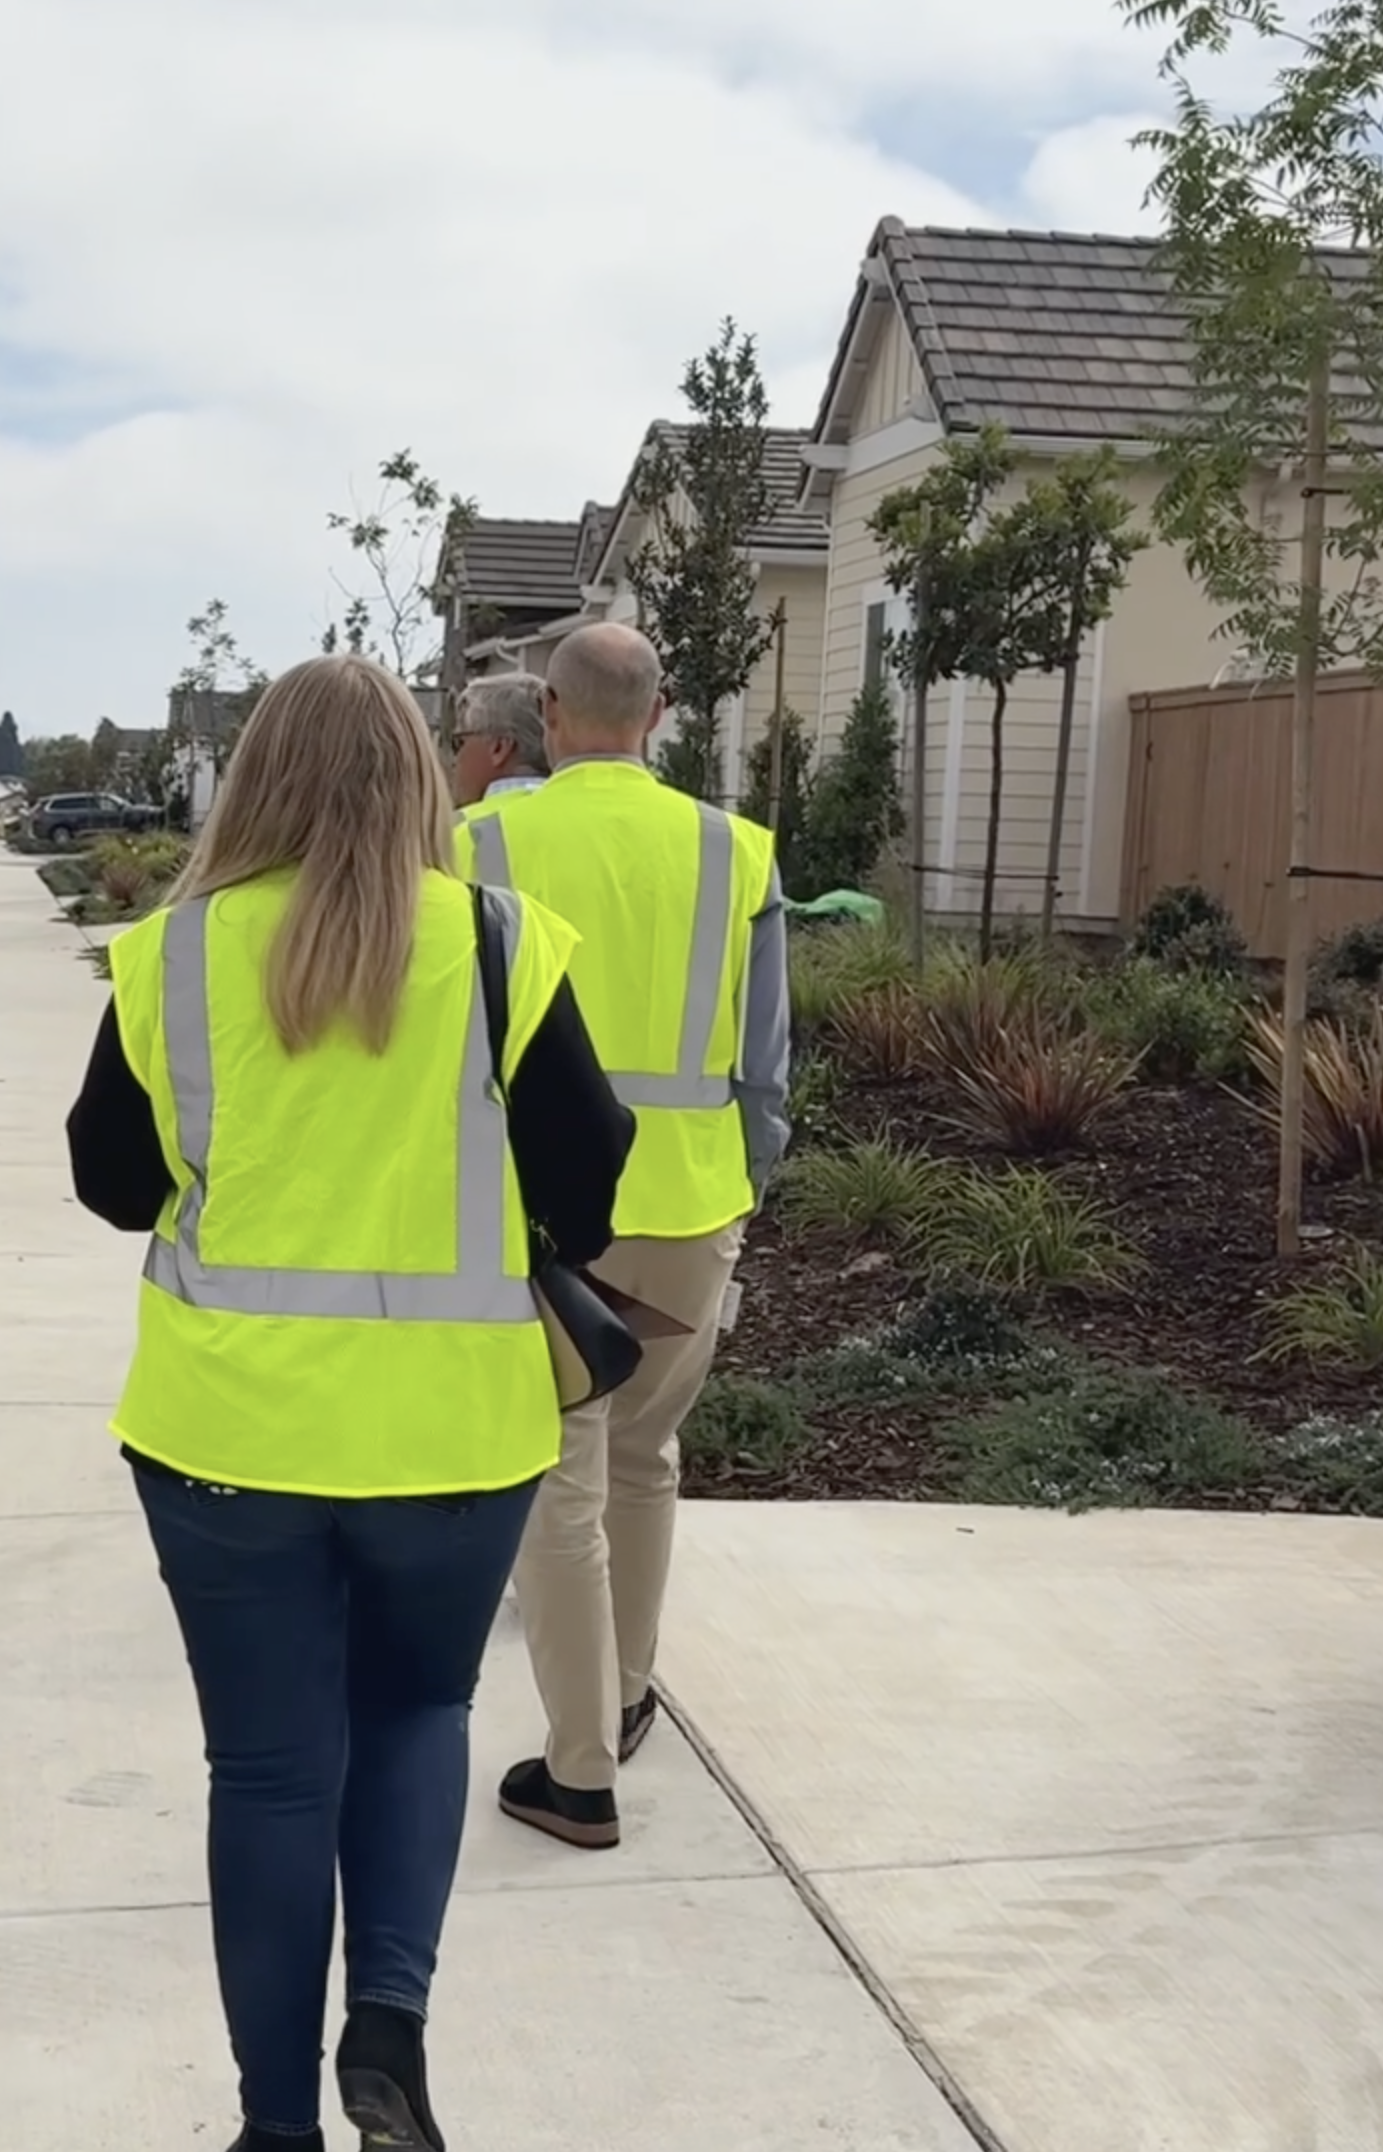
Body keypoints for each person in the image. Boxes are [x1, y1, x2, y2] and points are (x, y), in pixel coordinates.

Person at [65, 654, 634, 2152]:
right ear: (416, 777)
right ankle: (387, 2024)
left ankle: (273, 2124)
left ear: (254, 778)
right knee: (418, 1714)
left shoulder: (173, 956)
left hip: (225, 1438)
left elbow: (111, 1181)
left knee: (263, 1773)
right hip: (454, 1435)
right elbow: (588, 1172)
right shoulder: (500, 945)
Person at [459, 621, 789, 1853]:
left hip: (545, 1214)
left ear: (547, 710)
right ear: (659, 715)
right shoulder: (733, 850)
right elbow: (766, 1061)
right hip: (693, 1205)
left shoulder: (481, 838)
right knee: (646, 1455)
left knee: (562, 1475)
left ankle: (580, 1766)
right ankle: (631, 1690)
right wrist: (747, 1180)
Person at [447, 671, 553, 807]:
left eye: (459, 743)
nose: (454, 760)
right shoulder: (583, 811)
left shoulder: (465, 826)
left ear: (499, 748)